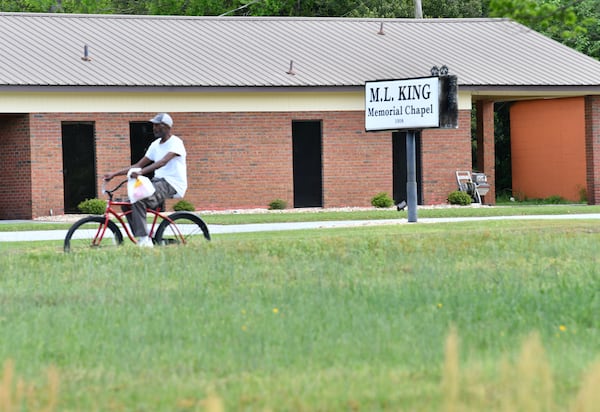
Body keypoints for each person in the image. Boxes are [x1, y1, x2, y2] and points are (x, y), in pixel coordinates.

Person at [103, 113, 187, 247]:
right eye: (153, 125)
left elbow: (162, 162)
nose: (154, 128)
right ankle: (146, 233)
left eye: (157, 125)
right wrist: (114, 174)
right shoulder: (155, 145)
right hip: (157, 181)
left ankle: (144, 240)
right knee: (127, 204)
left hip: (172, 183)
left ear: (166, 127)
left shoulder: (176, 143)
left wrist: (141, 173)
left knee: (139, 199)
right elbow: (138, 165)